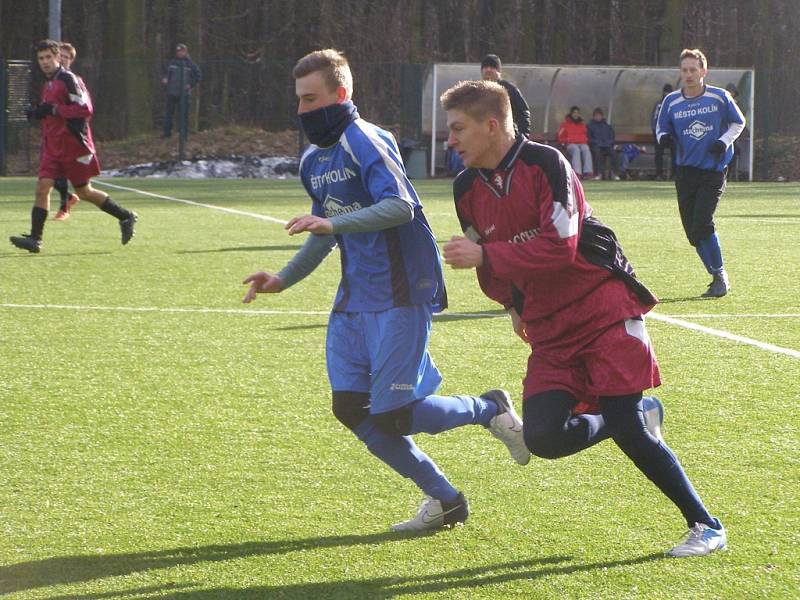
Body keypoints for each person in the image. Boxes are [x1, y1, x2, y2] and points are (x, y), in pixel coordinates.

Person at [241, 49, 530, 533]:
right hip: (355, 298)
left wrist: (332, 221)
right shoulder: (314, 157)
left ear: (341, 94)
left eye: (311, 99)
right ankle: (446, 500)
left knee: (395, 413)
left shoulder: (367, 140)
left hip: (401, 289)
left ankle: (489, 408)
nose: (302, 110)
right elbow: (325, 228)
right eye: (298, 100)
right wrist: (283, 279)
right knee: (351, 408)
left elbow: (399, 205)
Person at [440, 79, 727, 557]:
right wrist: (512, 304)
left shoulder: (547, 163)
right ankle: (626, 417)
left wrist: (487, 255)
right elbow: (483, 257)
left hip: (603, 308)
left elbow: (559, 246)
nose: (451, 139)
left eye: (458, 128)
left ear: (491, 126)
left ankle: (706, 525)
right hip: (550, 328)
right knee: (544, 437)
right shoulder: (466, 187)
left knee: (628, 425)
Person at [11, 39, 137, 254]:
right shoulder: (47, 84)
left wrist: (52, 110)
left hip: (74, 146)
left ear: (58, 57)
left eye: (48, 57)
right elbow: (53, 112)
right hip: (54, 148)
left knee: (84, 192)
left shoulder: (69, 79)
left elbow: (84, 109)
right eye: (41, 59)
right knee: (42, 188)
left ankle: (126, 216)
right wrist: (39, 113)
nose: (45, 62)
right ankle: (35, 239)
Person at [656, 49, 745, 298]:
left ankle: (720, 276)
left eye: (693, 69)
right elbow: (661, 128)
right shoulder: (672, 101)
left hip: (712, 171)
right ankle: (715, 275)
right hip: (685, 172)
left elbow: (739, 122)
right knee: (692, 232)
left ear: (703, 71)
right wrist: (665, 140)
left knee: (703, 222)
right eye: (684, 70)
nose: (689, 74)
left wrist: (723, 141)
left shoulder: (719, 97)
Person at [50, 42, 82, 221]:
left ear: (71, 60)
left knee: (84, 187)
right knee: (50, 173)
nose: (61, 59)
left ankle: (66, 205)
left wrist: (57, 111)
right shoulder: (53, 80)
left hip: (71, 134)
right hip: (55, 134)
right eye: (59, 55)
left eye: (65, 56)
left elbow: (82, 109)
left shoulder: (73, 80)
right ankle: (67, 202)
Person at [480, 54, 531, 138]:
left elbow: (523, 112)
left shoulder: (509, 89)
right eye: (485, 67)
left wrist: (523, 135)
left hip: (505, 137)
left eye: (492, 67)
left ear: (499, 71)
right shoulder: (476, 91)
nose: (488, 69)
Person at [161, 43, 201, 138]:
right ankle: (167, 134)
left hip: (184, 94)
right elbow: (164, 73)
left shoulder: (191, 65)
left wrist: (190, 84)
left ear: (186, 52)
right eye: (178, 51)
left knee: (183, 115)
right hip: (171, 92)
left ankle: (183, 135)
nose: (180, 53)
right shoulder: (171, 63)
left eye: (182, 51)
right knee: (168, 114)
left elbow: (198, 77)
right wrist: (165, 78)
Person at [557, 106, 594, 179]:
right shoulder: (565, 125)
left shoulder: (582, 125)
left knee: (586, 148)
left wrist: (585, 141)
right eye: (574, 113)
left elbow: (586, 135)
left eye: (577, 113)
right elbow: (560, 136)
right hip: (570, 144)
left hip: (582, 143)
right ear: (571, 114)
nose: (576, 114)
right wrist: (565, 142)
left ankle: (588, 172)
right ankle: (577, 173)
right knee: (576, 150)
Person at [587, 108, 620, 180]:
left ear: (602, 116)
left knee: (614, 153)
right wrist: (595, 142)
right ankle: (598, 174)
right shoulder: (590, 126)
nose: (598, 117)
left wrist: (610, 143)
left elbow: (612, 137)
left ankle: (615, 174)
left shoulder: (607, 126)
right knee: (597, 153)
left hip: (607, 145)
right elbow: (589, 138)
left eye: (599, 115)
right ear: (594, 116)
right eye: (596, 115)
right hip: (596, 145)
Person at [652, 84, 676, 180]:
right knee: (659, 153)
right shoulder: (659, 105)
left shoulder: (674, 104)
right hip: (661, 133)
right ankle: (659, 174)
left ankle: (674, 174)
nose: (667, 94)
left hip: (672, 133)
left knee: (675, 153)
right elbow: (654, 119)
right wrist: (656, 132)